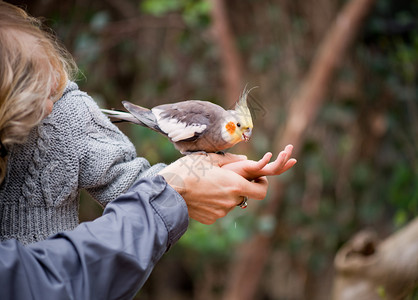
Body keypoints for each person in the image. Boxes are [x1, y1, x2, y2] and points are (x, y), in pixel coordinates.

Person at [0, 1, 296, 244]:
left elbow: (129, 180)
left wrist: (210, 181)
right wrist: (186, 183)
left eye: (54, 89)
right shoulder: (204, 121)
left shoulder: (70, 114)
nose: (51, 105)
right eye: (38, 96)